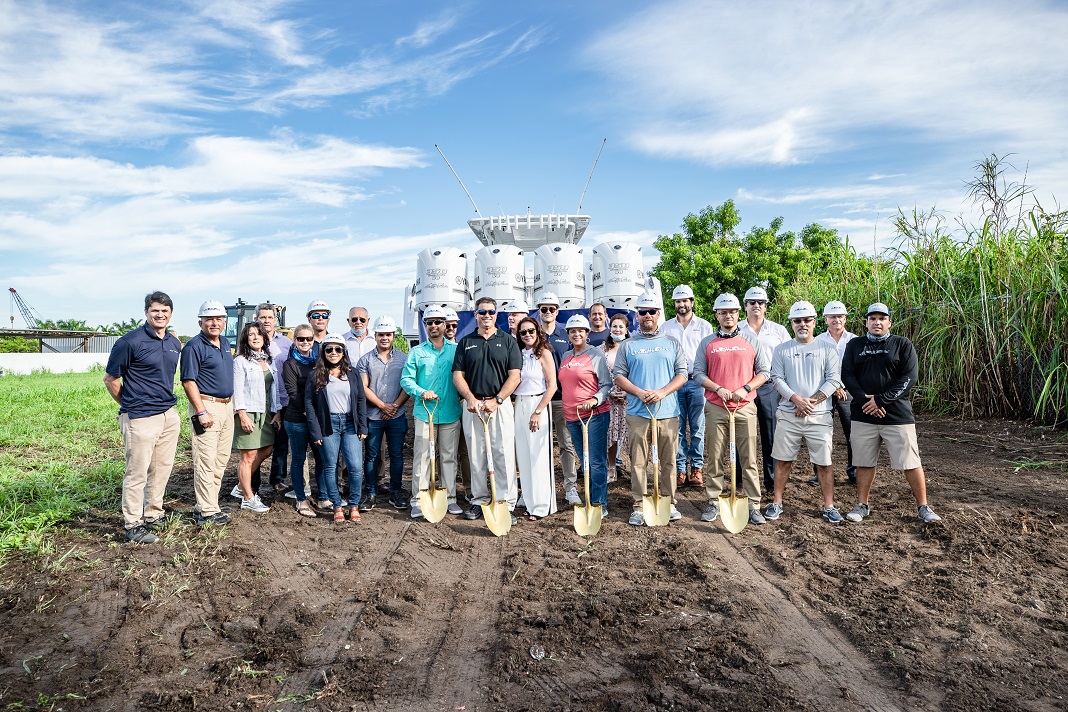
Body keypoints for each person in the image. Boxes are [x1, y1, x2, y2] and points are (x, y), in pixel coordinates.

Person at [841, 303, 942, 524]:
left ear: (889, 322)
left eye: (882, 318)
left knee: (910, 462)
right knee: (864, 462)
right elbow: (847, 376)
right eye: (872, 318)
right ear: (866, 322)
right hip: (863, 414)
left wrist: (880, 400)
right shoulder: (855, 345)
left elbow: (909, 377)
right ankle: (862, 505)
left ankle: (923, 507)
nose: (877, 322)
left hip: (897, 415)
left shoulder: (902, 344)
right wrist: (866, 401)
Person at [103, 291, 183, 543]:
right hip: (140, 417)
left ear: (170, 314)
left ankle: (153, 513)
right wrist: (129, 404)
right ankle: (133, 523)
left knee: (162, 468)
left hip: (167, 415)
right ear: (146, 312)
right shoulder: (129, 342)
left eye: (165, 311)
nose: (160, 315)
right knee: (137, 472)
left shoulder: (173, 342)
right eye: (155, 310)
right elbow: (110, 379)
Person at [763, 302, 844, 524]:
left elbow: (833, 379)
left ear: (814, 322)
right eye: (797, 321)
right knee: (782, 460)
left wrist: (812, 402)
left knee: (824, 463)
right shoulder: (782, 349)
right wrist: (796, 400)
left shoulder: (827, 349)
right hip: (789, 414)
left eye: (807, 320)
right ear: (792, 323)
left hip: (819, 415)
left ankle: (829, 506)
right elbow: (776, 379)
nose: (802, 324)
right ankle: (777, 502)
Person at [693, 293, 770, 526]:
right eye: (723, 312)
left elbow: (764, 372)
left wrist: (746, 388)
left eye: (733, 312)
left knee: (749, 457)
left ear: (739, 313)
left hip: (745, 406)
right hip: (716, 406)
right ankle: (714, 501)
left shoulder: (750, 340)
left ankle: (753, 504)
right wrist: (718, 388)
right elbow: (698, 373)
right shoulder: (708, 343)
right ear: (717, 315)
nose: (728, 315)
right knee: (715, 456)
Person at [613, 293, 687, 526]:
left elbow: (683, 374)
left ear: (658, 314)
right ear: (637, 315)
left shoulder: (672, 342)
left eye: (652, 311)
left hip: (667, 412)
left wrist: (662, 392)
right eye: (642, 312)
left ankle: (669, 501)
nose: (647, 316)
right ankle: (638, 503)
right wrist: (639, 392)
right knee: (638, 461)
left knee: (668, 460)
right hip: (638, 412)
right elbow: (618, 376)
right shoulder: (628, 345)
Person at [452, 297, 522, 523]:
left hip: (499, 406)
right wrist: (470, 398)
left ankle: (505, 503)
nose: (487, 316)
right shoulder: (466, 342)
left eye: (491, 312)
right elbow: (458, 375)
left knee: (503, 454)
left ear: (496, 314)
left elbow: (515, 376)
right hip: (474, 407)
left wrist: (499, 399)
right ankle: (480, 500)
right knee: (476, 454)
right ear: (475, 314)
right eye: (482, 312)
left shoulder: (508, 341)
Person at [401, 306, 464, 518]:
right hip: (424, 413)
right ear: (425, 326)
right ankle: (418, 499)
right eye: (429, 322)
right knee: (422, 457)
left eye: (438, 322)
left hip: (450, 412)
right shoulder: (417, 352)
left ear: (446, 325)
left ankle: (450, 498)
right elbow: (406, 379)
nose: (433, 326)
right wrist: (421, 392)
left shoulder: (456, 350)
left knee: (448, 457)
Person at [181, 300, 235, 526]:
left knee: (221, 460)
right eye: (209, 319)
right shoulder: (194, 346)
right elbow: (188, 381)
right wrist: (201, 411)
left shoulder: (224, 342)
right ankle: (208, 511)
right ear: (200, 322)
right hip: (206, 406)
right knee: (206, 459)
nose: (214, 323)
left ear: (224, 321)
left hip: (226, 406)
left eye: (219, 319)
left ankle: (205, 505)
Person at [306, 333, 368, 523]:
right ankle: (337, 506)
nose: (334, 352)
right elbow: (309, 403)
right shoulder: (316, 374)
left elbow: (360, 399)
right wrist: (315, 431)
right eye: (329, 349)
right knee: (330, 466)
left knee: (356, 467)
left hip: (351, 423)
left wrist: (363, 426)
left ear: (343, 352)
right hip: (328, 424)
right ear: (323, 352)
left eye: (338, 349)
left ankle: (354, 505)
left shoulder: (353, 373)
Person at [661, 284, 715, 489]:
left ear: (692, 302)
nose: (681, 304)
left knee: (698, 427)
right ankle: (681, 469)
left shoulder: (704, 326)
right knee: (678, 429)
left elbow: (709, 355)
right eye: (678, 301)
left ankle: (697, 469)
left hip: (697, 381)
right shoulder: (666, 327)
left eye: (685, 300)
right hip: (674, 383)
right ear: (674, 303)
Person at [559, 315, 613, 517]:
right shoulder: (566, 356)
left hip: (594, 415)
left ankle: (599, 502)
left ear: (587, 333)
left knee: (596, 460)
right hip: (572, 417)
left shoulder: (595, 355)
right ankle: (590, 497)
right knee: (584, 459)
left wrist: (595, 399)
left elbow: (607, 384)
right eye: (573, 331)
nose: (576, 334)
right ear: (568, 334)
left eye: (580, 330)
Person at [739, 286, 791, 490]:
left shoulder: (778, 331)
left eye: (760, 302)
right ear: (745, 306)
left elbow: (789, 358)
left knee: (771, 435)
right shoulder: (737, 331)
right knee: (743, 435)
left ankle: (771, 481)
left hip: (770, 388)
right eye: (752, 302)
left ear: (766, 306)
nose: (756, 306)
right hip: (743, 388)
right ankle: (742, 480)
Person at [358, 316, 410, 510]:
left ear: (393, 335)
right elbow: (364, 387)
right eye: (381, 335)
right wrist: (382, 406)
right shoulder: (365, 360)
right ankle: (370, 493)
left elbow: (407, 385)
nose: (385, 338)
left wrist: (393, 406)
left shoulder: (404, 359)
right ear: (376, 335)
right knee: (372, 455)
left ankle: (395, 492)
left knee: (396, 455)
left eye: (388, 334)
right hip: (374, 416)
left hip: (396, 415)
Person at [231, 321, 281, 513]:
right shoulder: (240, 361)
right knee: (248, 457)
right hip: (249, 411)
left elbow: (273, 389)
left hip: (266, 411)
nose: (255, 337)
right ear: (246, 338)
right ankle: (248, 497)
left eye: (258, 334)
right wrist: (242, 415)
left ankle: (239, 486)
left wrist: (277, 412)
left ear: (264, 337)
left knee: (267, 449)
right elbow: (237, 390)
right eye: (251, 334)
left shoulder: (268, 361)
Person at [512, 315, 558, 519]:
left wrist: (538, 411)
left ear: (537, 331)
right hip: (519, 404)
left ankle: (541, 505)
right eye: (523, 332)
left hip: (537, 404)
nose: (527, 335)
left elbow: (553, 385)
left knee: (538, 456)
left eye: (531, 331)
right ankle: (529, 501)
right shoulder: (517, 354)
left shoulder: (544, 353)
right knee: (523, 455)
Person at [536, 291, 579, 504]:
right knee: (539, 446)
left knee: (566, 445)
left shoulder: (565, 335)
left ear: (557, 311)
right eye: (544, 309)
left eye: (551, 309)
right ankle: (541, 487)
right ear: (539, 311)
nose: (548, 312)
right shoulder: (533, 335)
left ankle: (570, 487)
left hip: (562, 399)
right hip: (539, 399)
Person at [809, 300, 858, 486]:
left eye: (840, 316)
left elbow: (856, 368)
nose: (836, 319)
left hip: (848, 392)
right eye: (832, 317)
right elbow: (815, 369)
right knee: (820, 433)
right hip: (822, 392)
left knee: (852, 433)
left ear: (845, 318)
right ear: (825, 319)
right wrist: (833, 386)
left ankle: (853, 471)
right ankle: (818, 473)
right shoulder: (818, 341)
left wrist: (841, 386)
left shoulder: (854, 340)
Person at [282, 324, 322, 517]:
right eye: (301, 339)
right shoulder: (290, 364)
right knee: (299, 458)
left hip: (316, 420)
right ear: (295, 341)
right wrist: (309, 413)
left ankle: (323, 497)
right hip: (297, 419)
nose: (305, 342)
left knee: (322, 458)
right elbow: (293, 392)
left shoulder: (319, 362)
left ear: (313, 341)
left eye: (308, 339)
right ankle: (301, 499)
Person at [255, 303, 293, 496]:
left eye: (270, 317)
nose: (267, 321)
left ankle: (277, 479)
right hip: (259, 401)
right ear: (256, 320)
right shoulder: (250, 341)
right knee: (257, 444)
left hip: (283, 399)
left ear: (275, 320)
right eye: (263, 317)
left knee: (281, 444)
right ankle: (252, 482)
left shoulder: (286, 343)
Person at [602, 312, 631, 482]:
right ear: (610, 328)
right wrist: (609, 391)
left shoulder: (633, 347)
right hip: (609, 397)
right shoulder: (602, 350)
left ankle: (637, 469)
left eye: (621, 326)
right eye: (614, 326)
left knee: (631, 434)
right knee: (610, 433)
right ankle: (611, 467)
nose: (617, 329)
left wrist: (628, 391)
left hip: (630, 396)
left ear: (627, 329)